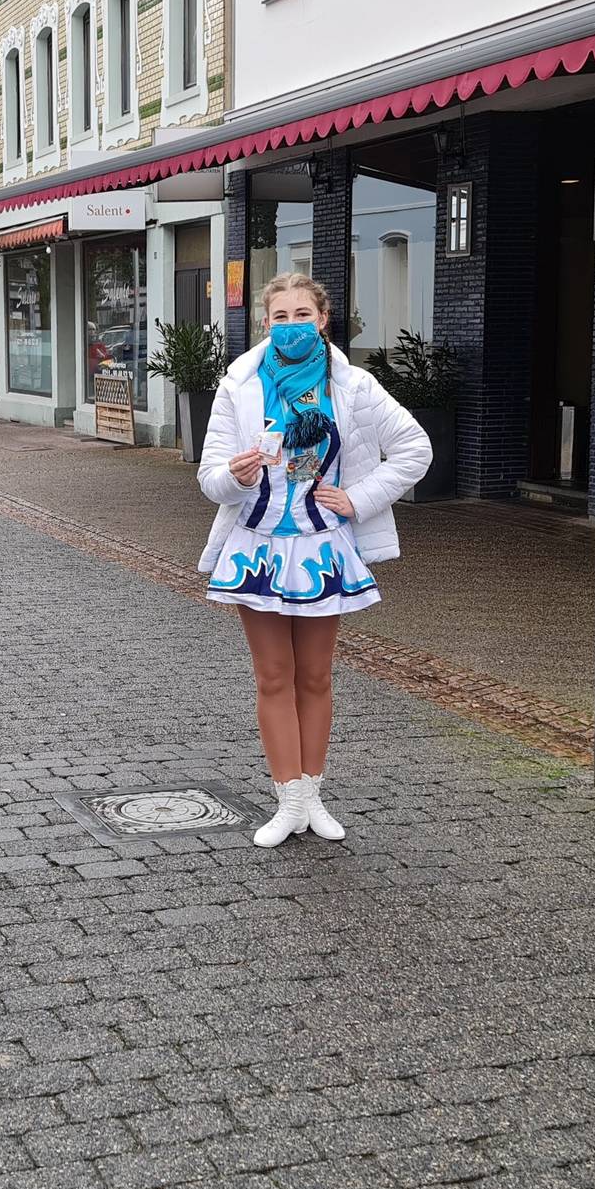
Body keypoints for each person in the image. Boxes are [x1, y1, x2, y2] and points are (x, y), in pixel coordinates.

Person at [197, 273, 431, 849]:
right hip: (257, 546)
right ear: (265, 323)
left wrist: (358, 499)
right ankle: (289, 802)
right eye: (281, 316)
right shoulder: (239, 385)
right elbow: (209, 478)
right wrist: (235, 475)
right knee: (273, 676)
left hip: (323, 545)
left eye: (304, 315)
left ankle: (314, 796)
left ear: (323, 320)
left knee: (317, 676)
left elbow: (415, 448)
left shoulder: (353, 386)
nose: (293, 326)